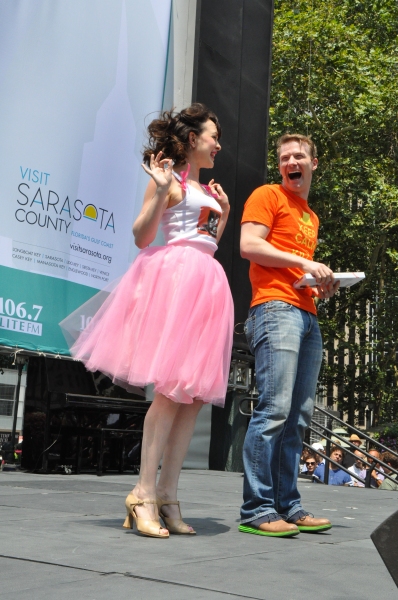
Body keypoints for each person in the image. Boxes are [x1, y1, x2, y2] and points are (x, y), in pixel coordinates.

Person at [69, 104, 234, 538]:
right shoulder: (170, 182)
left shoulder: (206, 189)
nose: (218, 144)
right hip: (178, 283)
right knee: (169, 393)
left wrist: (225, 215)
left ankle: (167, 494)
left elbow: (207, 243)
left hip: (206, 284)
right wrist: (160, 190)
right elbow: (142, 236)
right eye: (212, 135)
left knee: (193, 397)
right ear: (192, 139)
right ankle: (143, 493)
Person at [239, 133, 339, 537]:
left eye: (298, 156)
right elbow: (249, 245)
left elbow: (294, 270)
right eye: (284, 157)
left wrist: (319, 282)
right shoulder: (267, 195)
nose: (290, 161)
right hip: (274, 309)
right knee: (274, 409)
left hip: (306, 313)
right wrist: (305, 262)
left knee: (298, 416)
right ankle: (257, 510)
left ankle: (288, 505)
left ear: (315, 163)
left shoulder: (309, 217)